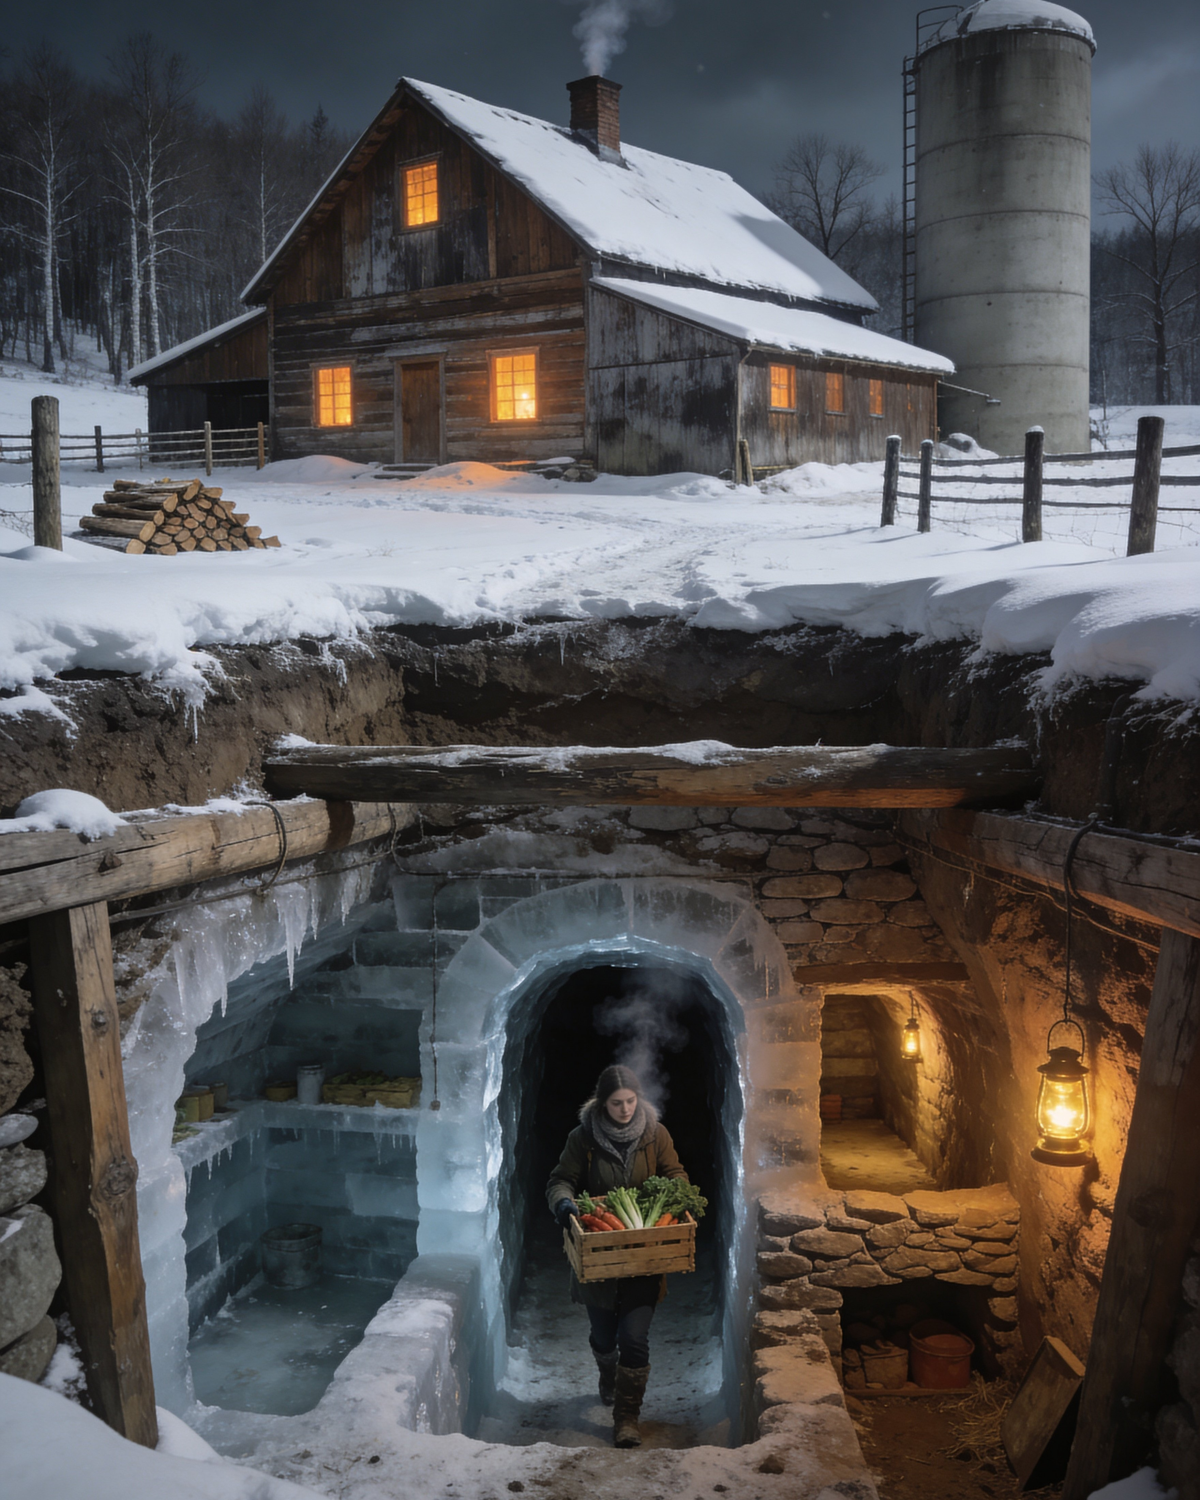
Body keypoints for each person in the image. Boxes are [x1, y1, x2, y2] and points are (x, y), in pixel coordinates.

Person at [545, 1064, 689, 1448]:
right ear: (601, 1103)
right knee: (604, 1336)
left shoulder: (656, 1135)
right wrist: (563, 1203)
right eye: (616, 1103)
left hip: (645, 1257)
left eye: (630, 1101)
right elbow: (561, 1180)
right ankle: (608, 1373)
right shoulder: (583, 1138)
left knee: (634, 1339)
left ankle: (627, 1418)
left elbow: (675, 1172)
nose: (625, 1109)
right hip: (600, 1258)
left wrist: (677, 1195)